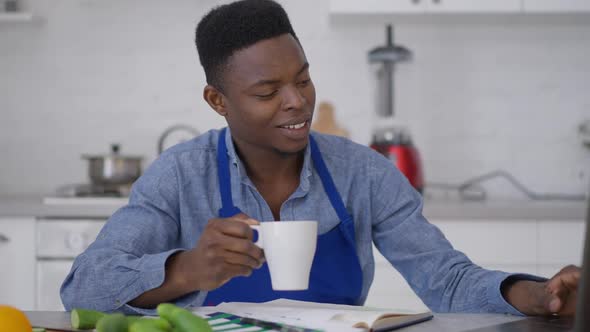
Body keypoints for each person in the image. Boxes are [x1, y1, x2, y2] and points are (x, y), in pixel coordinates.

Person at [60, 0, 580, 316]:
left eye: (303, 78)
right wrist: (185, 271)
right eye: (268, 91)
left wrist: (534, 296)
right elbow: (84, 288)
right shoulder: (178, 176)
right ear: (218, 101)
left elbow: (447, 280)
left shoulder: (365, 173)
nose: (297, 101)